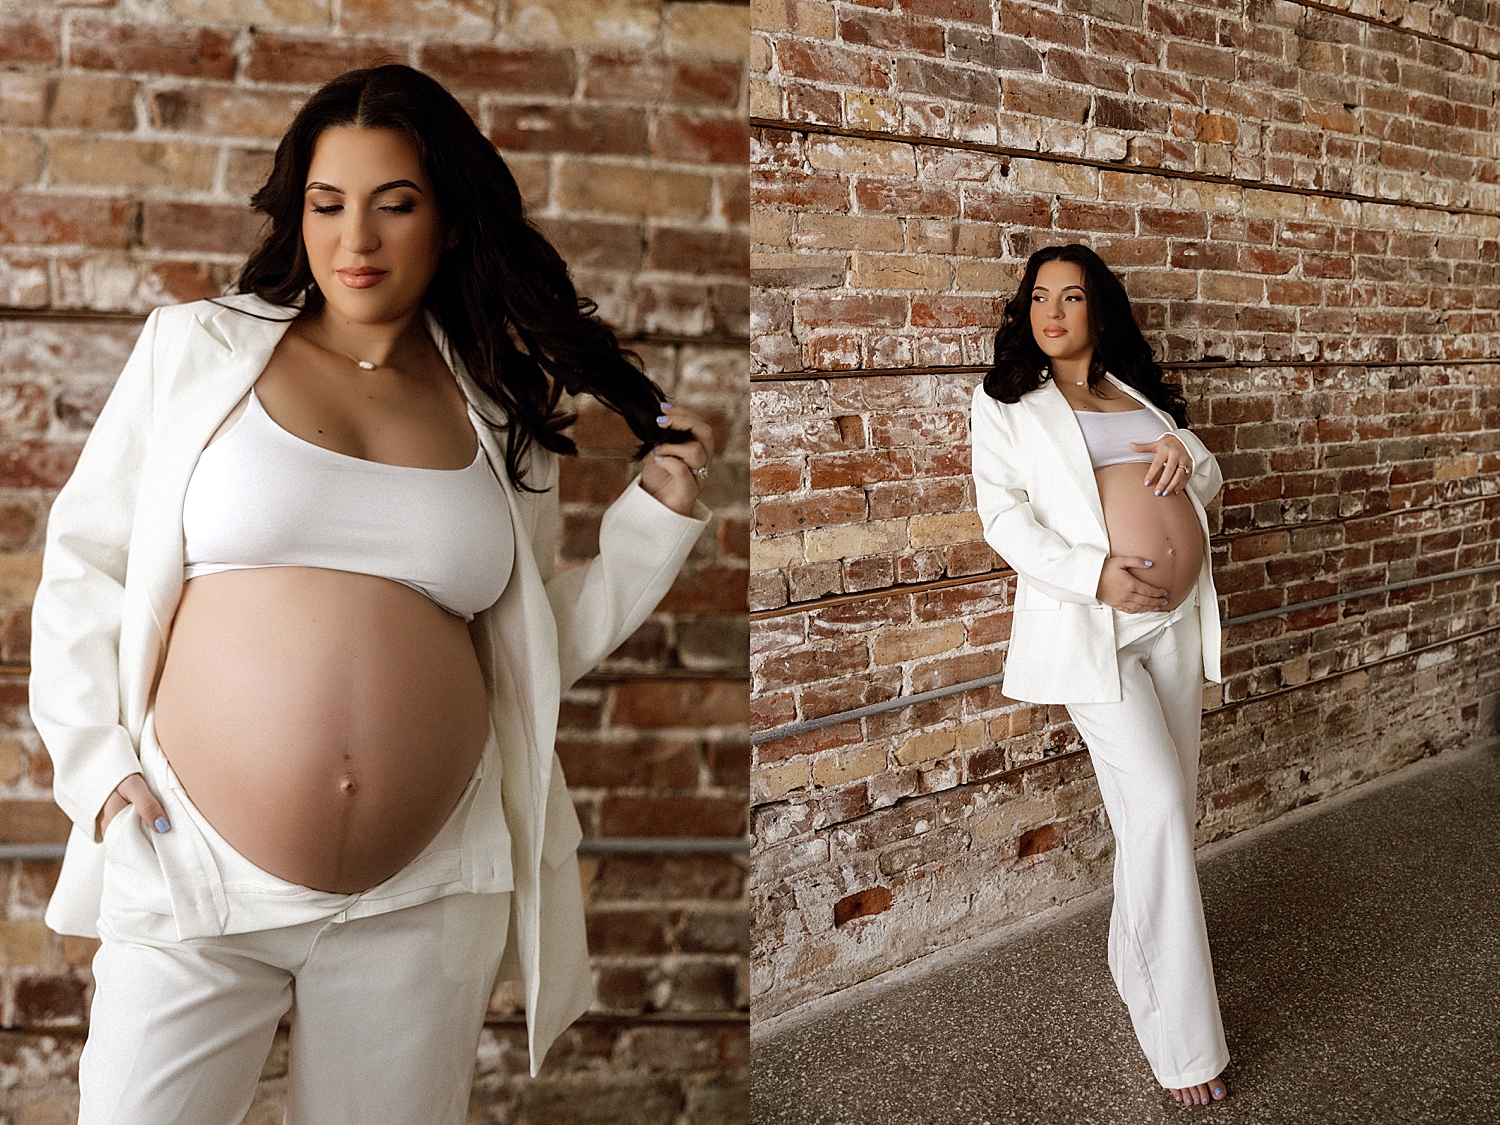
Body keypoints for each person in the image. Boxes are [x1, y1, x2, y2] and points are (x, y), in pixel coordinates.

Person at [30, 64, 715, 1124]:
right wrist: (99, 769)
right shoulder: (198, 351)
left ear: (447, 221)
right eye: (328, 204)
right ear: (297, 214)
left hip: (426, 895)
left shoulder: (498, 411)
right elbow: (86, 562)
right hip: (192, 868)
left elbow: (532, 644)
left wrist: (652, 520)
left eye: (395, 205)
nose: (357, 240)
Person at [969, 243, 1229, 1108]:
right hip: (1094, 634)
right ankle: (1184, 1044)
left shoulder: (1135, 393)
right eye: (1039, 296)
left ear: (1098, 310)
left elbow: (1208, 479)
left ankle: (1134, 956)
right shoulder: (1007, 404)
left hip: (1174, 626)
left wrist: (1187, 455)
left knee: (1168, 814)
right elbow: (1002, 520)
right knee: (1154, 809)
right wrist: (1093, 572)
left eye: (1071, 296)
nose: (1052, 311)